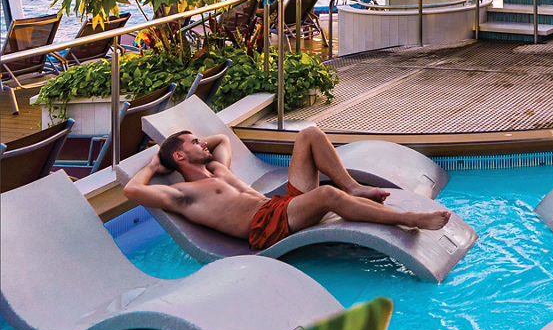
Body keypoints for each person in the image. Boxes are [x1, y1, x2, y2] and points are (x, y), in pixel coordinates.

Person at [124, 126, 450, 250]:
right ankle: (409, 219)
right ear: (180, 156)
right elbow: (132, 191)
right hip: (265, 227)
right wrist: (155, 164)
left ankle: (352, 188)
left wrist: (193, 148)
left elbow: (221, 139)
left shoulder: (217, 169)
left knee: (309, 134)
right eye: (194, 141)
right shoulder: (184, 195)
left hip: (280, 206)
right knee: (325, 194)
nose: (202, 142)